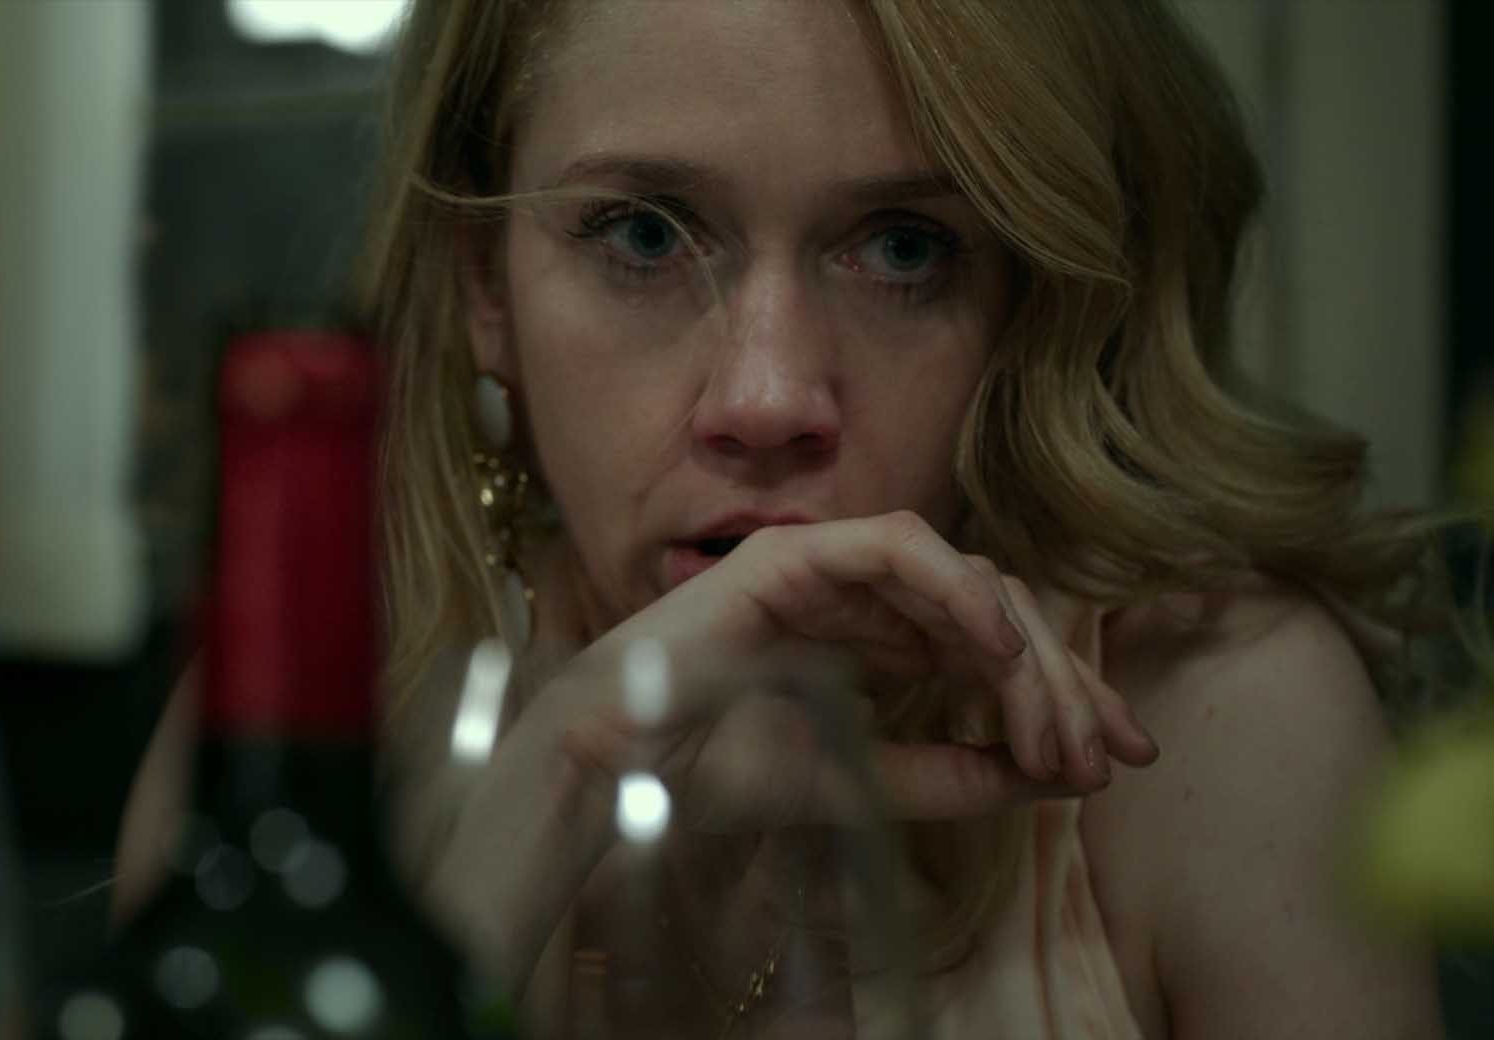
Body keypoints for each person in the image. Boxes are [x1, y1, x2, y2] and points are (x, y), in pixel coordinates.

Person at [119, 0, 1450, 1036]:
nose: (768, 401)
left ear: (1028, 299)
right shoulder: (302, 743)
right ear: (487, 289)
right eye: (645, 236)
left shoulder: (1213, 718)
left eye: (904, 249)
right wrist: (560, 784)